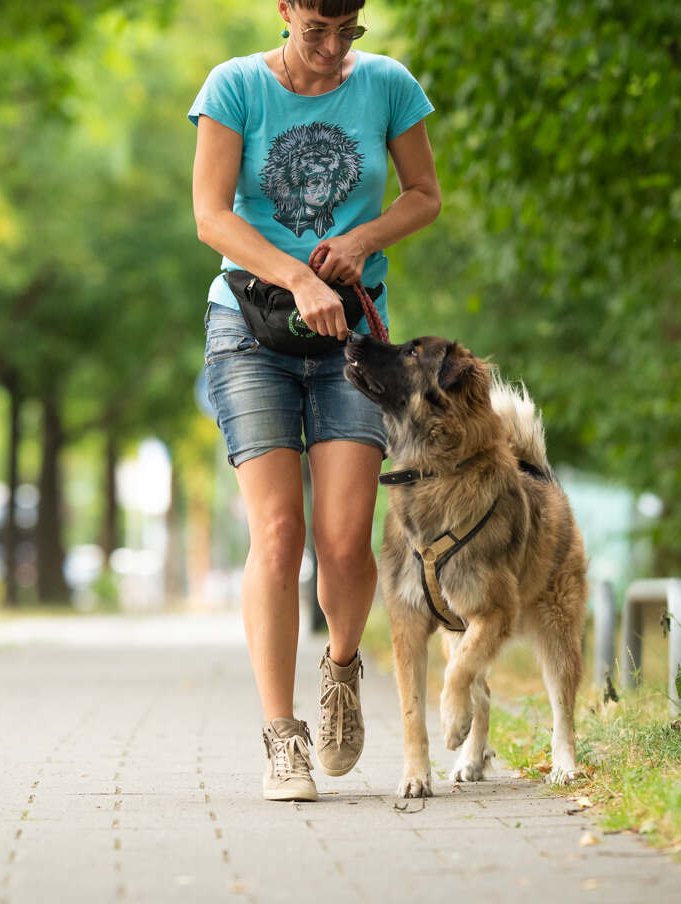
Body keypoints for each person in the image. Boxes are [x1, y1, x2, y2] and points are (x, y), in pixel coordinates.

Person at [189, 0, 440, 801]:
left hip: (351, 347)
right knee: (277, 531)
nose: (333, 51)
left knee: (342, 540)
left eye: (348, 31)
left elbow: (423, 194)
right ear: (285, 11)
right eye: (316, 31)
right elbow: (210, 216)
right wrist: (296, 273)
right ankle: (281, 738)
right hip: (249, 331)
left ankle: (339, 672)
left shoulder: (389, 86)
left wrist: (363, 240)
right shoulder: (233, 88)